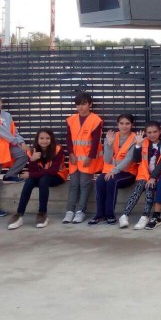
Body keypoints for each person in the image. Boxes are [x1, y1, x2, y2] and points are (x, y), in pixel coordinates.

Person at [7, 129, 68, 229]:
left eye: (47, 138)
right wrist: (32, 160)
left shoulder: (57, 149)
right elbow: (33, 171)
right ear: (37, 139)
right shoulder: (32, 151)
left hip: (58, 176)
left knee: (43, 180)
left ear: (51, 139)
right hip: (41, 176)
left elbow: (53, 171)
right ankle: (19, 215)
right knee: (29, 181)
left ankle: (42, 213)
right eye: (42, 138)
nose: (44, 141)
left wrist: (31, 174)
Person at [89, 114, 138, 225]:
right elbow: (107, 159)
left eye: (127, 123)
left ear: (132, 125)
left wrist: (114, 171)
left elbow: (129, 160)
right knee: (99, 181)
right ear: (117, 124)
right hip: (109, 171)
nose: (124, 126)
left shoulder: (135, 139)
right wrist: (109, 144)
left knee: (112, 181)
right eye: (121, 123)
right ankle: (99, 214)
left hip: (128, 172)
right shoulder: (111, 136)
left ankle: (110, 215)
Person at [119, 122, 161, 229]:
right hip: (144, 174)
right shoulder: (143, 142)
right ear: (145, 133)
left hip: (157, 175)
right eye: (149, 132)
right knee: (138, 188)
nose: (152, 135)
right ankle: (124, 215)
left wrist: (153, 177)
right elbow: (136, 160)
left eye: (155, 132)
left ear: (160, 132)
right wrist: (138, 145)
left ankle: (145, 216)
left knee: (150, 188)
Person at [63, 92, 103, 224]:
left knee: (85, 185)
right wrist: (70, 153)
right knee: (74, 185)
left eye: (84, 104)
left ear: (90, 104)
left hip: (87, 160)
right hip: (74, 159)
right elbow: (68, 139)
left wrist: (90, 157)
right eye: (78, 104)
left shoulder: (95, 120)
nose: (80, 107)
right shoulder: (71, 119)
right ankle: (70, 211)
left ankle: (81, 211)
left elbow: (96, 142)